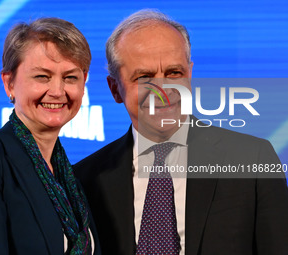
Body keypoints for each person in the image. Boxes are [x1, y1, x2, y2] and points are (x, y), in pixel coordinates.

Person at [74, 9, 288, 255]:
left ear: (190, 73)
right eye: (144, 77)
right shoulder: (85, 179)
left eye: (174, 73)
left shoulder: (253, 159)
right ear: (114, 89)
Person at [0, 18, 101, 255]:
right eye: (42, 76)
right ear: (9, 83)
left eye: (70, 77)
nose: (58, 91)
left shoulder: (71, 181)